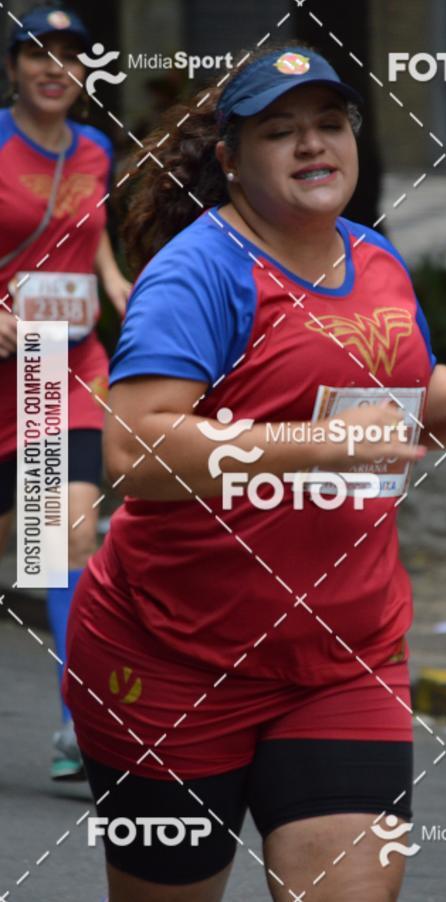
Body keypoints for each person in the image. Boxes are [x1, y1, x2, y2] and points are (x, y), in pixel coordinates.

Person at [64, 44, 446, 901]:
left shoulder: (376, 260)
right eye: (280, 132)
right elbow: (135, 452)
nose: (313, 144)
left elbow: (396, 400)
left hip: (344, 657)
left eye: (328, 124)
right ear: (233, 163)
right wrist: (326, 445)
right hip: (171, 660)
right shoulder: (199, 273)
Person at [0, 4, 131, 780]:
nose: (56, 68)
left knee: (68, 535)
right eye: (38, 54)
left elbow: (93, 236)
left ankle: (83, 728)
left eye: (71, 56)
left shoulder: (96, 148)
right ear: (14, 67)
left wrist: (121, 286)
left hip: (65, 371)